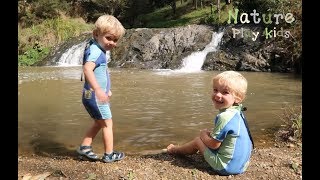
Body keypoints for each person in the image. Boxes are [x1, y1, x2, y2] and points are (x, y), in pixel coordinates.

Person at [166, 71, 254, 175]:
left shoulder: (224, 117)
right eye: (215, 90)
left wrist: (203, 135)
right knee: (212, 135)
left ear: (238, 98)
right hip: (242, 165)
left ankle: (175, 150)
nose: (217, 95)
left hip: (225, 167)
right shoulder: (238, 112)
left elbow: (214, 145)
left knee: (198, 141)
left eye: (225, 92)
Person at [77, 14, 126, 163]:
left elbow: (102, 72)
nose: (112, 43)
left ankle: (84, 147)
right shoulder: (97, 51)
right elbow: (87, 69)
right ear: (96, 34)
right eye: (109, 38)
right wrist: (99, 89)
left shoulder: (93, 46)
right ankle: (109, 154)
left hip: (89, 95)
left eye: (115, 40)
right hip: (95, 96)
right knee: (107, 124)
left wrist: (107, 89)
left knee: (99, 122)